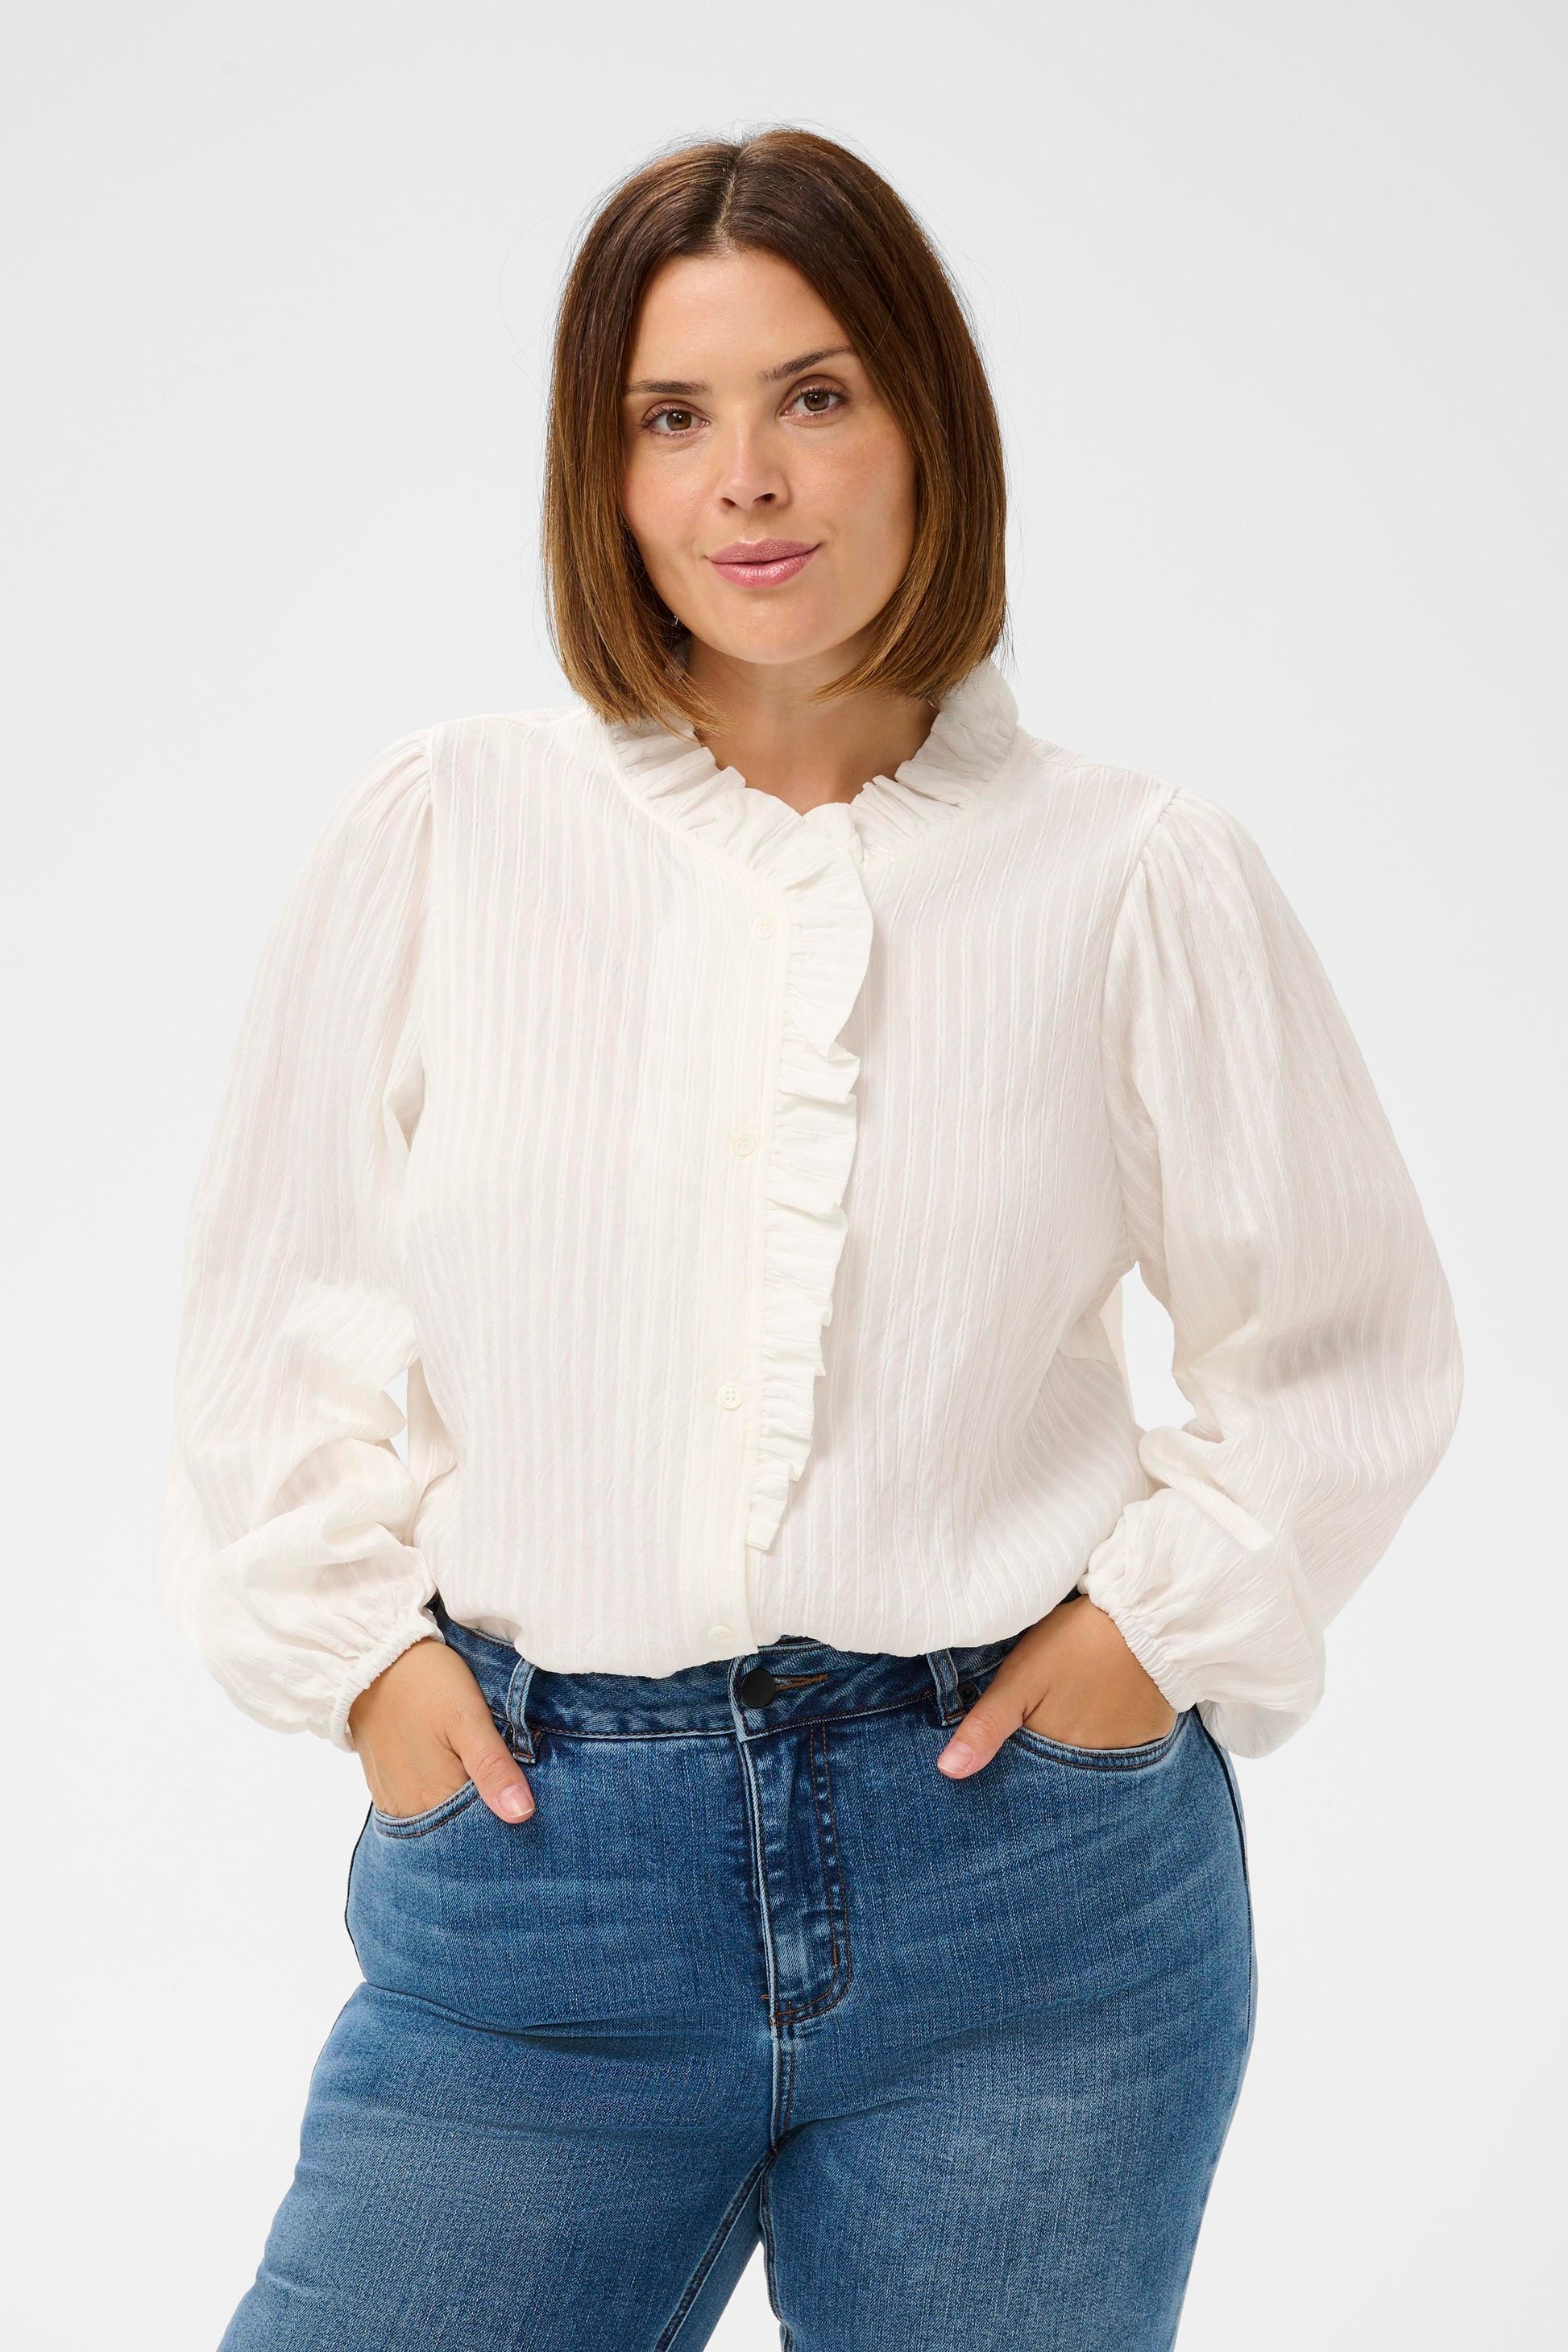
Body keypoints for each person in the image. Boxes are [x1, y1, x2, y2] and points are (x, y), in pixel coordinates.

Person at [154, 126, 1464, 2352]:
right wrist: (364, 1663)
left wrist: (1148, 1637)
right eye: (671, 416)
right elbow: (271, 1333)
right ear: (602, 471)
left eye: (816, 396)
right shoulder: (447, 834)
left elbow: (1342, 1350)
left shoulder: (1134, 874)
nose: (745, 480)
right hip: (539, 1889)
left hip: (1028, 1913)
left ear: (928, 425)